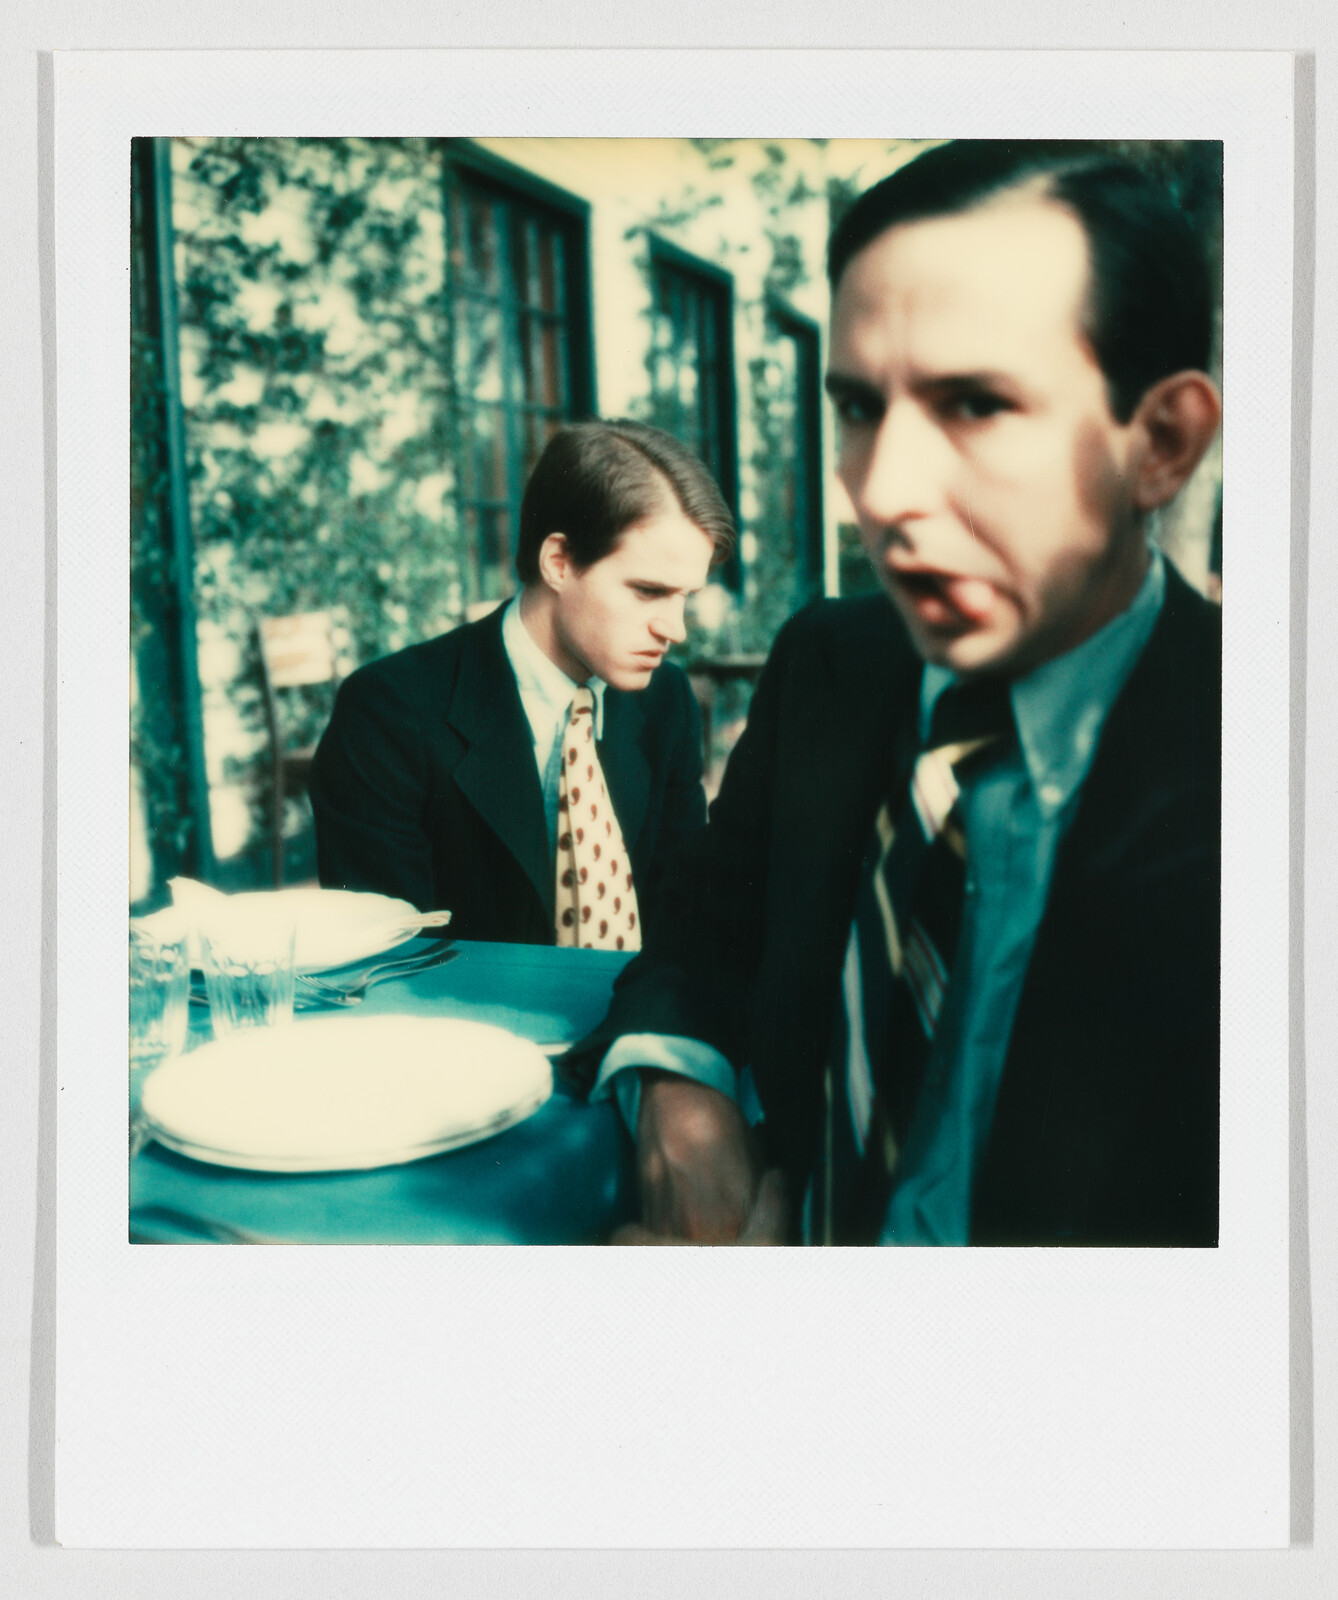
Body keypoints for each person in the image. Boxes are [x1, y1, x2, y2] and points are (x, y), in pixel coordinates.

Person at [565, 141, 1223, 1247]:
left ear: (1161, 442)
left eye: (974, 404)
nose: (880, 489)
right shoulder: (831, 665)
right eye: (861, 408)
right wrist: (681, 1085)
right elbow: (703, 930)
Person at [310, 420, 734, 947]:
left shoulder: (666, 702)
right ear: (558, 562)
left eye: (685, 596)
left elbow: (685, 919)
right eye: (648, 591)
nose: (675, 629)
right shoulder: (389, 713)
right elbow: (388, 961)